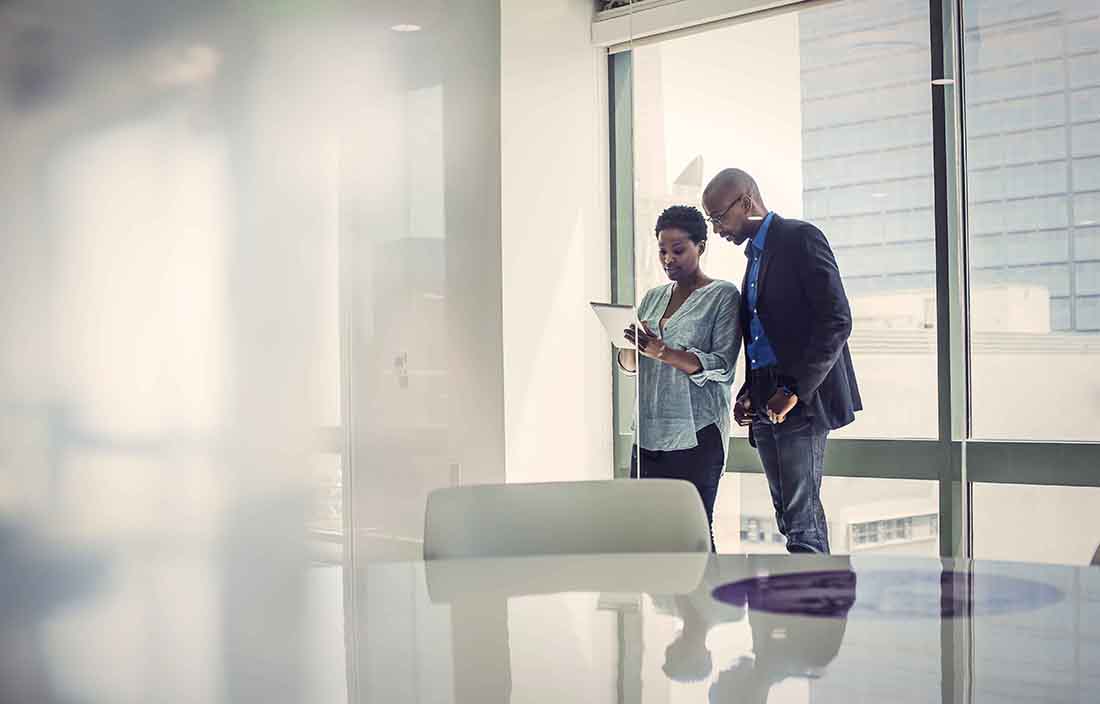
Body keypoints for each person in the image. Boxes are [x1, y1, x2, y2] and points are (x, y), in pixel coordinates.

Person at [702, 168, 861, 554]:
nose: (716, 228)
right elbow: (765, 335)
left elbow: (837, 319)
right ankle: (806, 608)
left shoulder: (799, 238)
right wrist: (749, 390)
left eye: (719, 217)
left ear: (746, 202)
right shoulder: (754, 258)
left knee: (802, 523)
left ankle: (816, 610)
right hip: (767, 400)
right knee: (788, 519)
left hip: (801, 401)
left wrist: (792, 389)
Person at [618, 205, 741, 551]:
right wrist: (630, 344)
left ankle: (706, 604)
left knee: (694, 534)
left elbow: (722, 366)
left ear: (701, 246)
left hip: (697, 434)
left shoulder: (722, 296)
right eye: (661, 251)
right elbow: (630, 365)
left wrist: (665, 353)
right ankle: (656, 606)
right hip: (648, 434)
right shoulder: (653, 297)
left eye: (678, 250)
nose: (668, 259)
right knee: (647, 535)